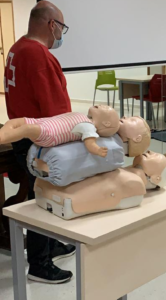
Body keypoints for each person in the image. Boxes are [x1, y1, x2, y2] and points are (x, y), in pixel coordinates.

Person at [4, 1, 75, 284]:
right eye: (61, 27)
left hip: (25, 134)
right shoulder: (39, 55)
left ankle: (50, 244)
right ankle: (39, 264)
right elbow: (54, 109)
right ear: (51, 24)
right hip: (41, 140)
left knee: (41, 193)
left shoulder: (17, 48)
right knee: (42, 197)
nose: (61, 34)